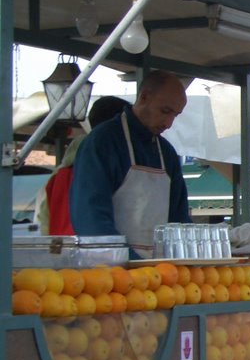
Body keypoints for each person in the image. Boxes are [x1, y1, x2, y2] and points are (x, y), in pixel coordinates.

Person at [70, 70, 191, 258]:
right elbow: (91, 219)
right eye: (165, 111)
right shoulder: (102, 142)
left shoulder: (167, 153)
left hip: (162, 274)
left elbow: (180, 220)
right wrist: (131, 262)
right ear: (143, 97)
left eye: (176, 115)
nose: (169, 123)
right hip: (108, 271)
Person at [37, 96, 131, 235]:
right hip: (99, 252)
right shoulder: (108, 170)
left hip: (60, 252)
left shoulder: (57, 176)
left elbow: (43, 222)